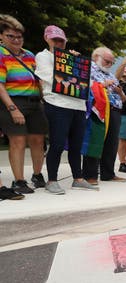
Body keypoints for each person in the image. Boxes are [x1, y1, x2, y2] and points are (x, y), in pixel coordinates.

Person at [34, 25, 95, 194]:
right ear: (47, 39)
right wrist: (70, 67)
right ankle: (52, 180)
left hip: (78, 105)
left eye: (61, 40)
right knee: (57, 144)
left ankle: (78, 178)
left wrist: (74, 62)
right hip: (56, 104)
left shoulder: (73, 58)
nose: (58, 43)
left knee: (77, 145)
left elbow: (87, 82)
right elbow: (49, 77)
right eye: (55, 40)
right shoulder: (42, 56)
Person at [0, 14, 48, 195]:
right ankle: (19, 180)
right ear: (2, 37)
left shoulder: (29, 55)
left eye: (19, 37)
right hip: (13, 101)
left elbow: (38, 78)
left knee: (38, 139)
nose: (16, 40)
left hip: (35, 101)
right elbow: (0, 85)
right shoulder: (1, 54)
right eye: (10, 36)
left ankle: (37, 175)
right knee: (18, 140)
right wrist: (12, 109)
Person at [83, 46, 126, 185]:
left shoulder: (111, 74)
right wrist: (103, 84)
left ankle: (108, 173)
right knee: (96, 141)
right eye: (107, 61)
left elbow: (124, 98)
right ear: (96, 57)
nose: (109, 64)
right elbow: (86, 86)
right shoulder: (89, 69)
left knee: (112, 143)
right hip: (99, 109)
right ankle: (90, 174)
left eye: (111, 62)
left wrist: (119, 92)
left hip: (115, 110)